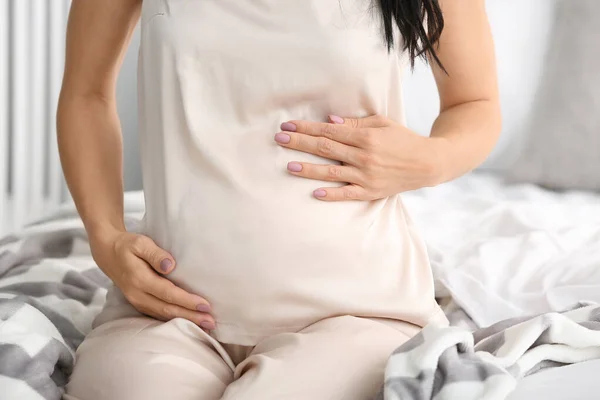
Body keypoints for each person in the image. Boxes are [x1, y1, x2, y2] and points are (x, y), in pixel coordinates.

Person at [58, 0, 500, 399]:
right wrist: (106, 236)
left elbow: (475, 102)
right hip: (163, 308)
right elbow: (86, 94)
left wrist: (430, 159)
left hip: (358, 313)